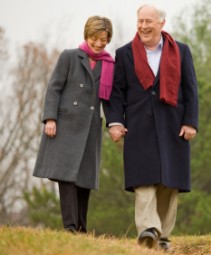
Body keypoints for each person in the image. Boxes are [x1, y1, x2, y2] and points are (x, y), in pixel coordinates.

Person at [103, 4, 198, 250]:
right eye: (140, 21)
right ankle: (148, 229)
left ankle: (163, 237)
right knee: (143, 180)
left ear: (161, 24)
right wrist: (115, 122)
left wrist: (190, 122)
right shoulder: (124, 54)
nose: (143, 26)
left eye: (149, 21)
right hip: (139, 127)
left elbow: (190, 91)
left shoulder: (182, 51)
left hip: (173, 126)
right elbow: (116, 93)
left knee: (168, 182)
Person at [33, 16, 114, 234]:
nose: (98, 44)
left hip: (90, 127)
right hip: (65, 125)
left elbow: (111, 100)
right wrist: (50, 118)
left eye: (103, 40)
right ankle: (69, 227)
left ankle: (81, 227)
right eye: (94, 39)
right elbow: (54, 88)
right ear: (86, 35)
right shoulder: (70, 56)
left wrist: (115, 123)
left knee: (84, 179)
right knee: (66, 177)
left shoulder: (109, 64)